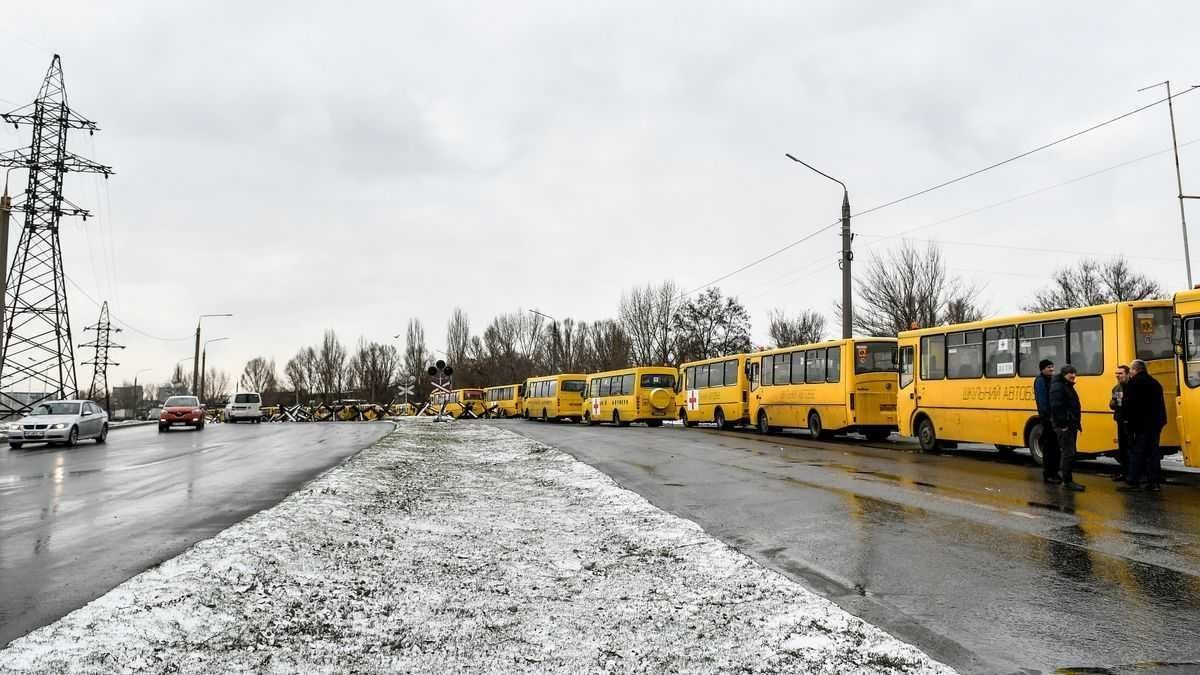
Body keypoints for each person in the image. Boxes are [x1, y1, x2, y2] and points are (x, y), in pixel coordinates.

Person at [1120, 359, 1168, 492]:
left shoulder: (1133, 384)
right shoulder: (1155, 383)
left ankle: (1133, 481)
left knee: (1137, 452)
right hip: (1155, 425)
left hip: (1140, 426)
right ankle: (1154, 483)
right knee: (1153, 453)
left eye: (1131, 370)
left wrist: (1128, 425)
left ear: (1135, 370)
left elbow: (1129, 407)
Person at [1049, 365, 1085, 491]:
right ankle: (1067, 481)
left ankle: (1067, 479)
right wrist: (1063, 425)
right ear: (1065, 375)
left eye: (1075, 374)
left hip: (1070, 424)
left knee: (1069, 452)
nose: (1074, 377)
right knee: (1068, 453)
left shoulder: (1064, 385)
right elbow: (1056, 407)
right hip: (1065, 426)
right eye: (1071, 375)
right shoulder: (1059, 387)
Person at [1033, 359, 1061, 484]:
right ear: (1042, 369)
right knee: (1050, 447)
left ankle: (1054, 473)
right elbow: (1043, 402)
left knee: (1055, 447)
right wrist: (1049, 418)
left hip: (1054, 418)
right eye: (1049, 367)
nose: (1051, 369)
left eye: (1052, 366)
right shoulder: (1040, 381)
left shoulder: (1051, 379)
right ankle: (1049, 474)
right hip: (1048, 419)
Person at [1109, 365, 1130, 481]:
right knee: (1123, 448)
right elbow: (1116, 403)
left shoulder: (1132, 387)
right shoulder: (1117, 388)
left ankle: (1133, 473)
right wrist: (1113, 403)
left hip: (1130, 421)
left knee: (1131, 448)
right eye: (1117, 374)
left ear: (1127, 374)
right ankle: (1125, 472)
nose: (1118, 376)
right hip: (1121, 420)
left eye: (1120, 373)